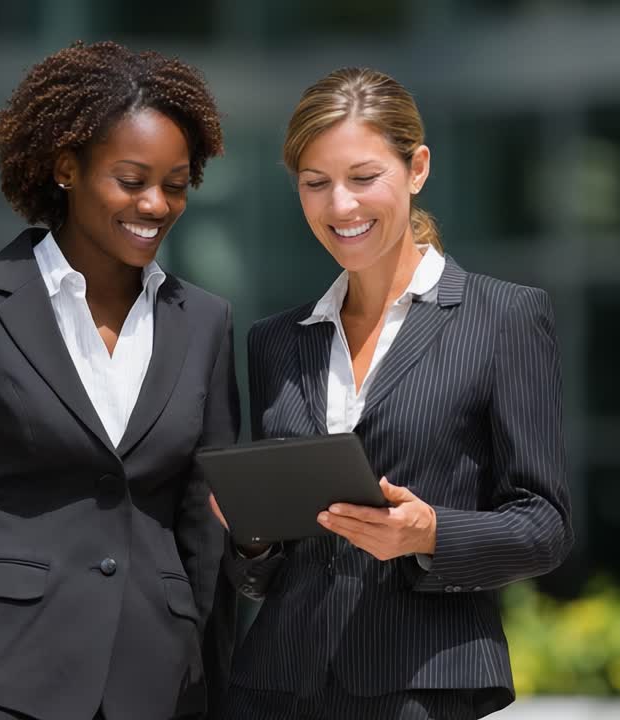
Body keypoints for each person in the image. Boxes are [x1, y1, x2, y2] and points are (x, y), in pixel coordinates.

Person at [0, 42, 238, 720]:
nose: (156, 204)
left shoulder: (206, 322)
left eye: (175, 184)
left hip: (159, 688)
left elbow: (205, 535)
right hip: (1, 682)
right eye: (131, 180)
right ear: (67, 168)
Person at [216, 68, 573, 719]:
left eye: (363, 177)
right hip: (274, 689)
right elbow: (262, 575)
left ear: (418, 169)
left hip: (422, 687)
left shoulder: (504, 318)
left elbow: (544, 526)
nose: (340, 207)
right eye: (315, 183)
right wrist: (252, 538)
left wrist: (430, 533)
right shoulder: (276, 342)